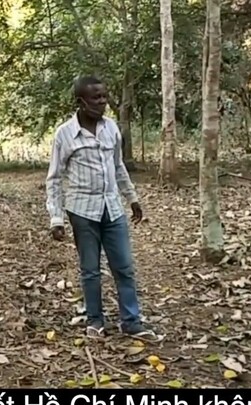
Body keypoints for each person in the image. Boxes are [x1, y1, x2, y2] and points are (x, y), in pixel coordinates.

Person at [45, 75, 156, 339]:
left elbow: (118, 166)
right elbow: (55, 178)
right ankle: (95, 321)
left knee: (124, 266)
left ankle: (131, 321)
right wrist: (56, 218)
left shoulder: (111, 128)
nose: (102, 102)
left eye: (104, 96)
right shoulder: (65, 134)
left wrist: (132, 198)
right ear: (81, 101)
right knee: (90, 270)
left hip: (112, 208)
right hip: (82, 211)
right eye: (96, 98)